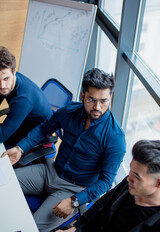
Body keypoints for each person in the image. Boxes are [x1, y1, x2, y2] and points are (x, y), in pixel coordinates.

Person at [2, 68, 126, 232]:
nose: (97, 106)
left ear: (110, 98)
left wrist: (75, 201)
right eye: (91, 99)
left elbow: (106, 181)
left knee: (28, 229)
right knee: (2, 183)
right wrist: (20, 148)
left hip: (72, 190)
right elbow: (44, 128)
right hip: (50, 171)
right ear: (82, 95)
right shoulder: (69, 111)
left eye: (104, 101)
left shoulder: (115, 138)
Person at [56, 139, 160, 232]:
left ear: (158, 183)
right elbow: (104, 201)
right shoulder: (130, 183)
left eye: (137, 176)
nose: (128, 178)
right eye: (131, 171)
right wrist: (75, 228)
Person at [0, 46, 53, 149]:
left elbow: (1, 135)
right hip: (20, 125)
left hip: (36, 139)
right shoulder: (8, 81)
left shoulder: (23, 100)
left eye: (6, 79)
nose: (2, 85)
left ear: (14, 72)